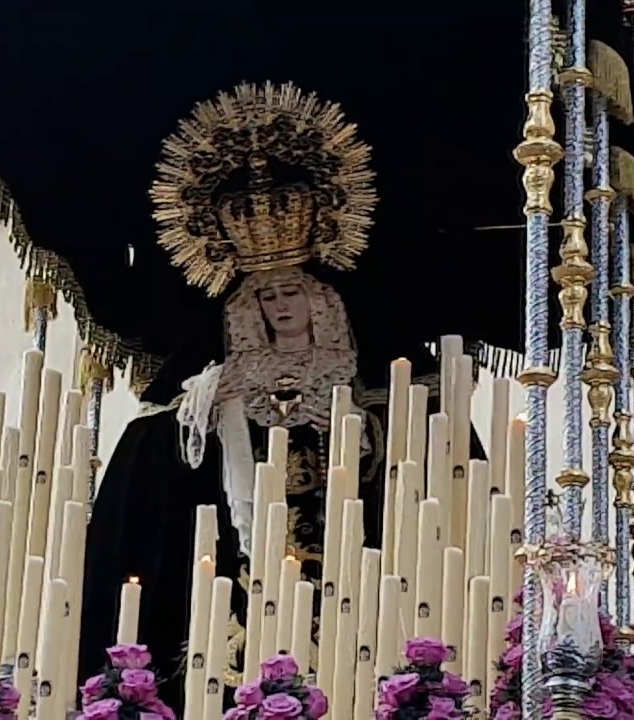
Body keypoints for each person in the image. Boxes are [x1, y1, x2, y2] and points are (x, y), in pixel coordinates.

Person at [77, 83, 474, 710]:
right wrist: (203, 411)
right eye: (266, 296)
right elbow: (146, 480)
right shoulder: (210, 391)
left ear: (321, 302)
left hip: (360, 588)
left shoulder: (374, 384)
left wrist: (364, 427)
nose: (281, 306)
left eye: (292, 293)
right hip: (232, 601)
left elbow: (443, 470)